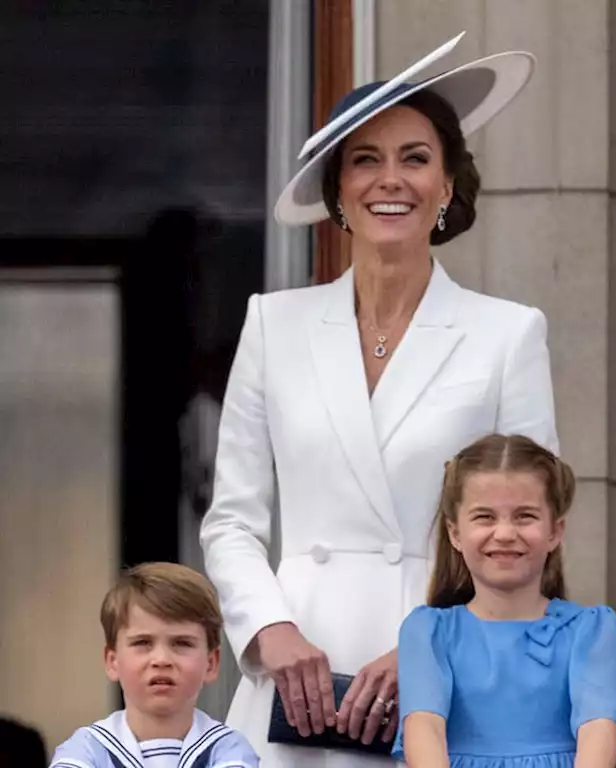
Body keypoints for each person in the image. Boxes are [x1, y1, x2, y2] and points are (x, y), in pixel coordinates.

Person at [199, 32, 558, 766]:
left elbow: (527, 530)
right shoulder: (274, 323)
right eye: (365, 160)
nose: (389, 180)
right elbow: (231, 521)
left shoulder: (509, 334)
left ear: (448, 186)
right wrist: (271, 633)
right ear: (337, 192)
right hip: (295, 683)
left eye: (415, 158)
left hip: (446, 679)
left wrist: (433, 647)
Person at [393, 433, 616, 767]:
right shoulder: (428, 632)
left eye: (524, 516)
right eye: (484, 517)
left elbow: (598, 734)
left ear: (555, 531)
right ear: (455, 533)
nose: (504, 533)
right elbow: (424, 729)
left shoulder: (593, 630)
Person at [47, 562, 259, 768]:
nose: (161, 660)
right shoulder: (87, 749)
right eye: (142, 643)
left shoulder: (228, 749)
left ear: (211, 664)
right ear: (113, 662)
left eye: (182, 643)